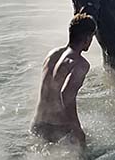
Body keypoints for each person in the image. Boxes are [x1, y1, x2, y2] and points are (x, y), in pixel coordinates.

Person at [32, 13, 95, 145]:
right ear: (88, 38)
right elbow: (66, 94)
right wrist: (77, 129)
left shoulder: (52, 55)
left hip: (37, 124)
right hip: (56, 131)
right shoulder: (80, 64)